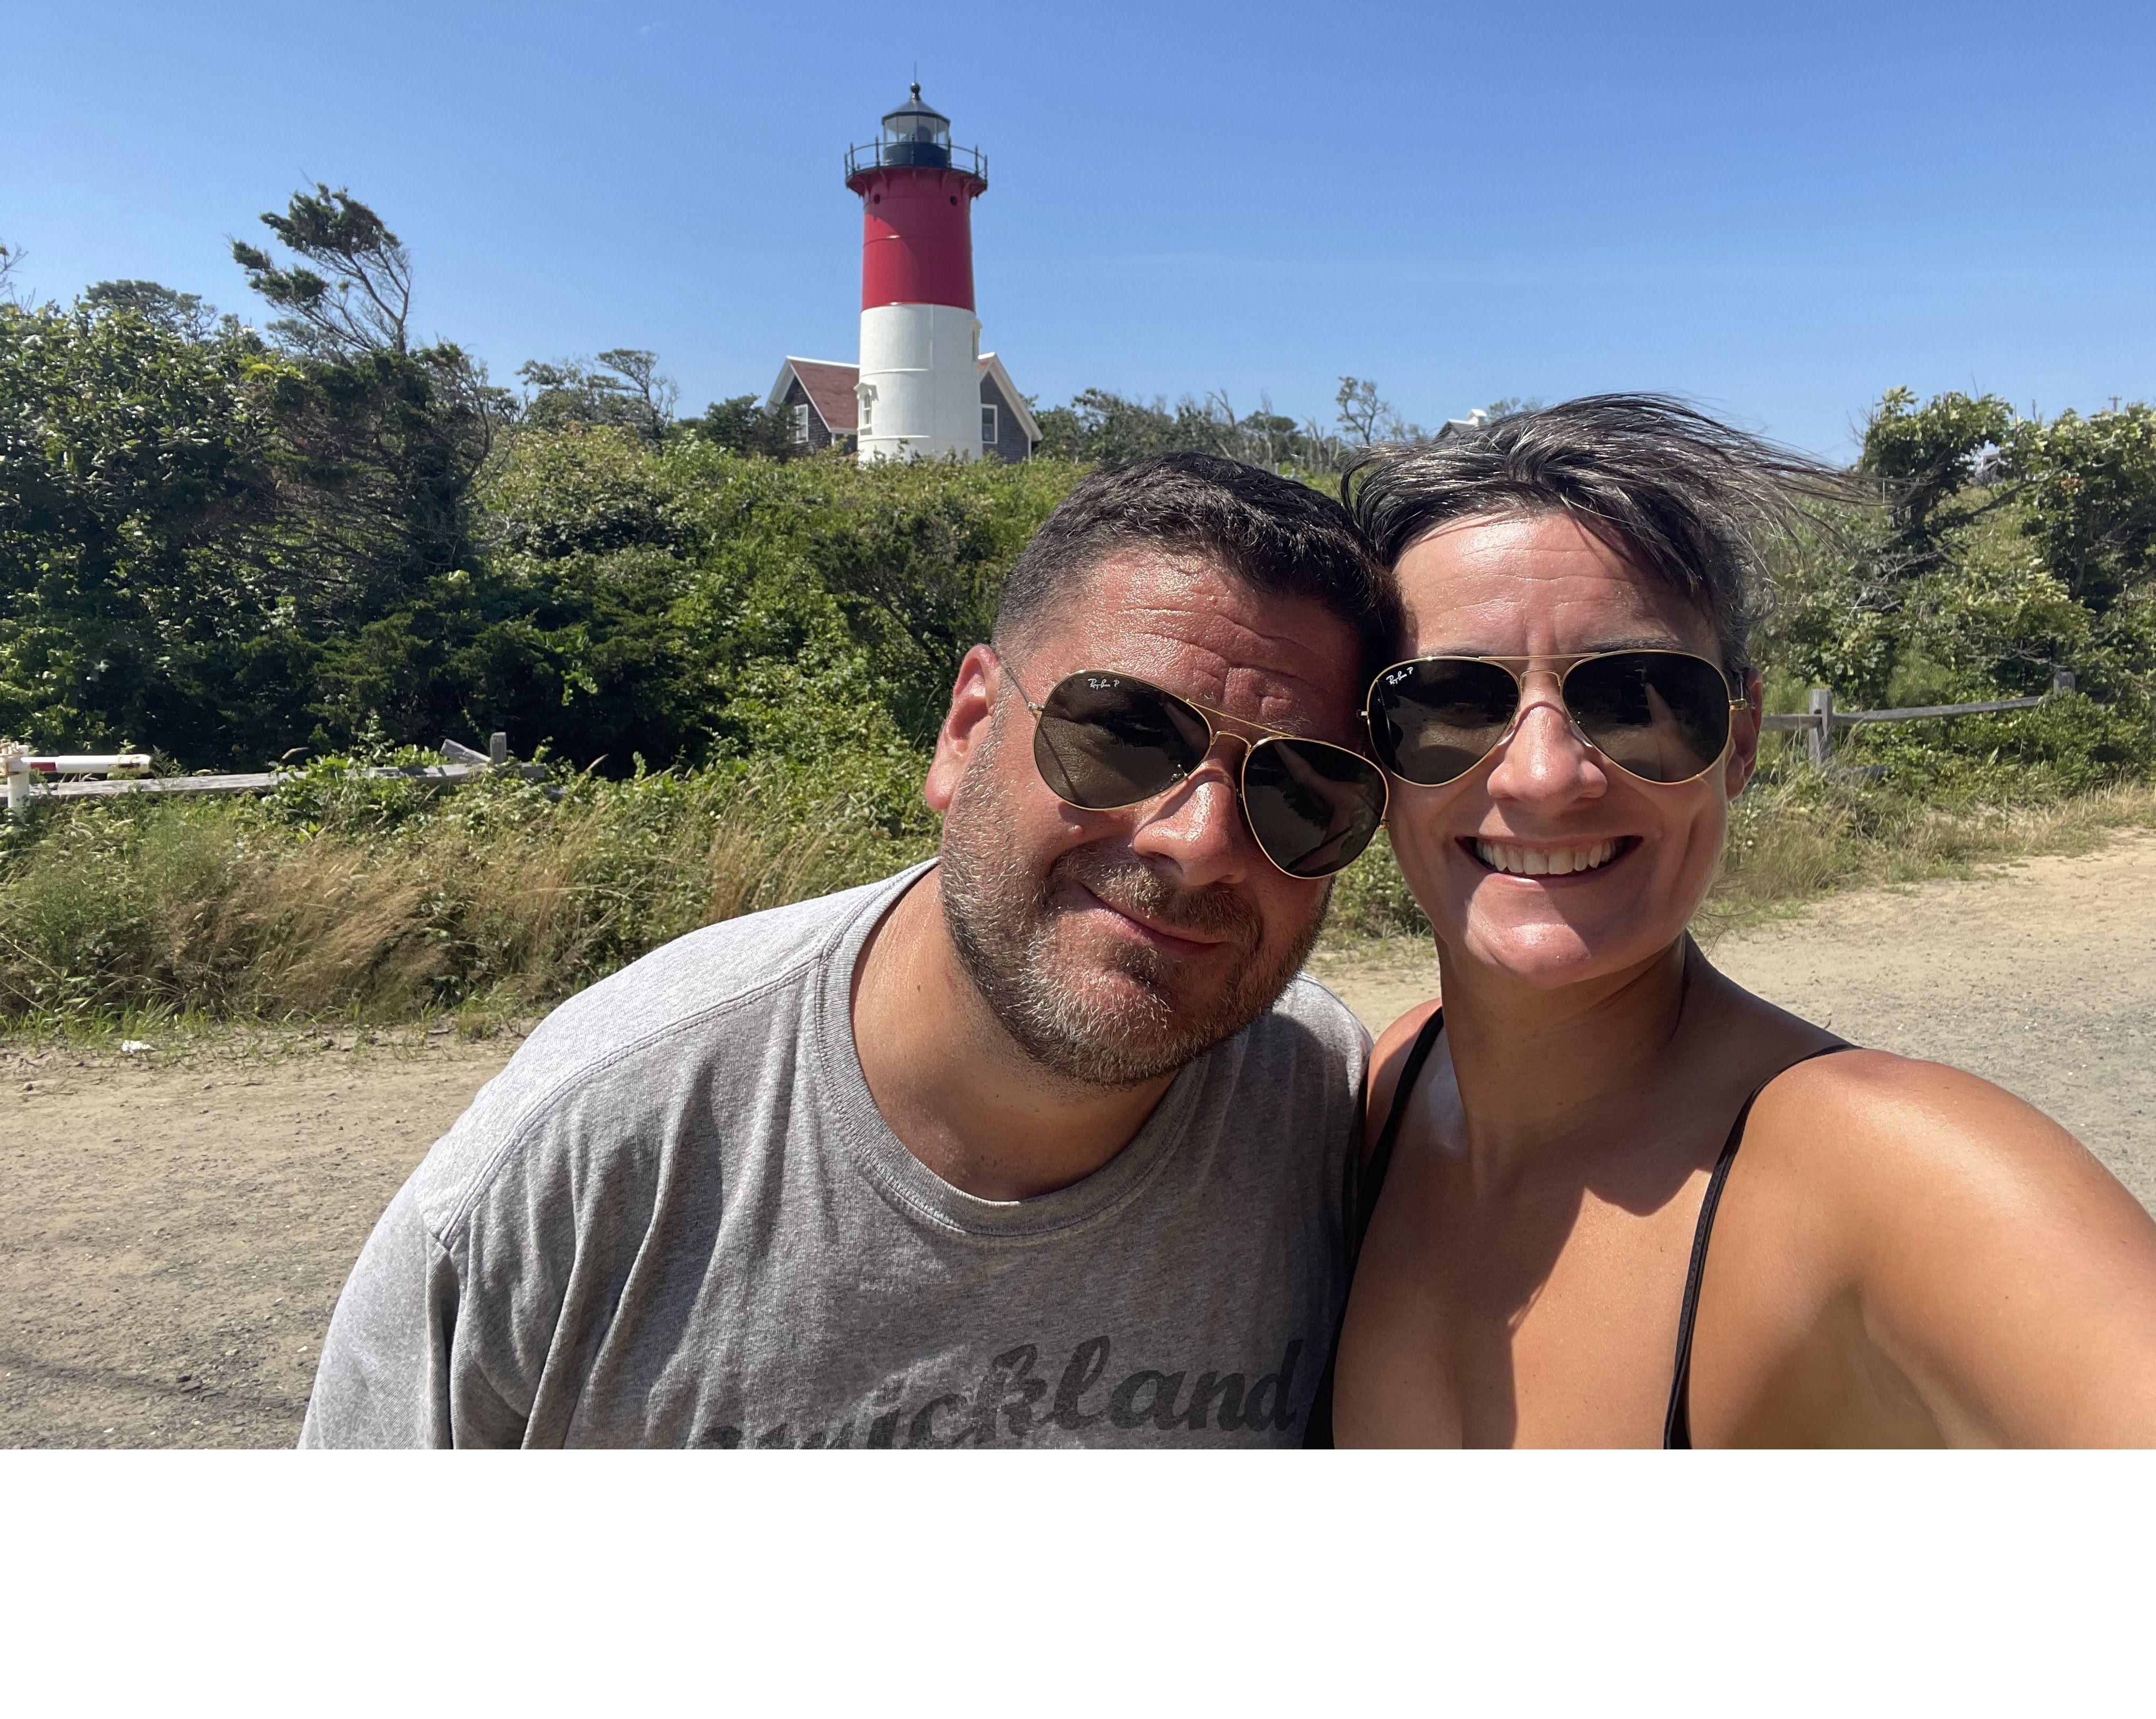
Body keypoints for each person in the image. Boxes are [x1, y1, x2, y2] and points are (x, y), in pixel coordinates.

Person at [302, 454, 1395, 1448]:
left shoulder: (1331, 1118)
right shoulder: (595, 1152)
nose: (1198, 844)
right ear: (966, 731)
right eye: (1125, 733)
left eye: (1301, 795)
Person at [1315, 395, 2156, 1448]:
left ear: (1742, 741)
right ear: (1370, 756)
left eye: (1640, 699)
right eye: (1447, 702)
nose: (1542, 776)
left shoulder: (1896, 1178)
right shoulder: (1389, 1082)